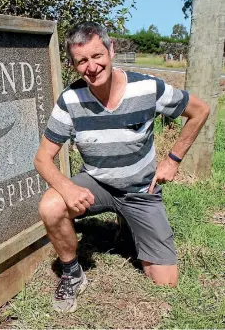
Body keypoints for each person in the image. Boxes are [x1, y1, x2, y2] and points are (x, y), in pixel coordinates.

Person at [34, 22, 210, 313]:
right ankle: (71, 272)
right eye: (82, 61)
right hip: (97, 183)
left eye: (97, 55)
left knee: (165, 283)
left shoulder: (147, 88)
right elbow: (42, 158)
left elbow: (199, 110)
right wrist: (66, 187)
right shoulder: (70, 100)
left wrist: (173, 159)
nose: (91, 67)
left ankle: (128, 222)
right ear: (74, 65)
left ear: (111, 49)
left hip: (141, 189)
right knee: (51, 206)